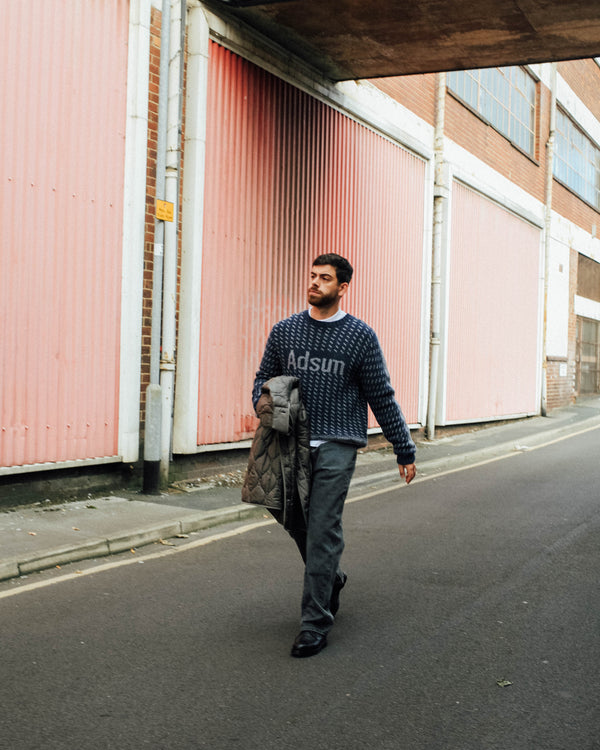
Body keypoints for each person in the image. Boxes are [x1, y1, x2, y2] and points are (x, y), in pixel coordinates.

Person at [252, 253, 416, 658]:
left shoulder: (360, 336)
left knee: (324, 529)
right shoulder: (285, 330)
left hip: (337, 443)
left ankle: (314, 623)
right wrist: (263, 402)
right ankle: (332, 577)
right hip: (288, 444)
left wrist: (403, 447)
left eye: (324, 278)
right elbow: (262, 379)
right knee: (291, 518)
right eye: (312, 276)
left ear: (342, 288)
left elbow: (381, 394)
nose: (315, 283)